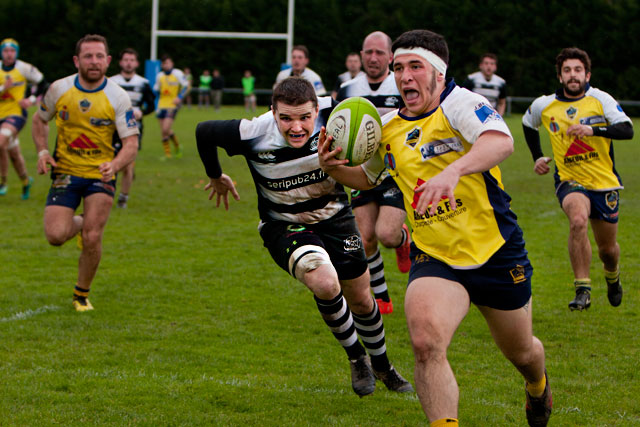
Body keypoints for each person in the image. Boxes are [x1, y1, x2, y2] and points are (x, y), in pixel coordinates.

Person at [319, 29, 551, 427]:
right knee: (426, 342)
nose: (404, 76)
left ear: (439, 74)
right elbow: (368, 178)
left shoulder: (461, 103)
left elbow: (500, 142)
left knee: (522, 353)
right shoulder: (387, 128)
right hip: (436, 257)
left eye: (415, 67)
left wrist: (454, 170)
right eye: (398, 68)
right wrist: (332, 167)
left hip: (495, 251)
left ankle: (537, 385)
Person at [195, 76, 413, 397]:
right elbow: (204, 132)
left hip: (336, 217)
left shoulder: (337, 115)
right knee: (325, 282)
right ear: (272, 112)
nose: (296, 127)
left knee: (362, 300)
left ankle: (382, 365)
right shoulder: (253, 132)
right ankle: (357, 358)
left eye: (304, 117)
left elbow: (382, 123)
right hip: (284, 225)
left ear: (317, 109)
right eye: (285, 118)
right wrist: (215, 176)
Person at [31, 34, 139, 312]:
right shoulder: (59, 89)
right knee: (55, 236)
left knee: (93, 237)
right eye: (88, 56)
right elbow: (39, 120)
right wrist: (43, 152)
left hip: (100, 175)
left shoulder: (117, 96)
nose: (94, 62)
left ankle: (81, 295)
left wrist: (114, 166)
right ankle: (81, 221)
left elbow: (131, 144)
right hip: (64, 171)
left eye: (99, 56)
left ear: (108, 61)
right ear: (77, 60)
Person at [522, 47, 633, 311]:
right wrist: (537, 156)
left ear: (587, 74)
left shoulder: (600, 99)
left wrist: (591, 129)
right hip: (569, 180)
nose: (573, 75)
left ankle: (612, 275)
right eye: (567, 70)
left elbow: (627, 129)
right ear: (559, 76)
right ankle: (582, 288)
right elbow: (528, 123)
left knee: (608, 250)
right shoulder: (544, 104)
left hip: (604, 182)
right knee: (578, 221)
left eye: (578, 70)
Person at [336, 31, 409, 315]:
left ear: (390, 57)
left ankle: (403, 240)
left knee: (386, 235)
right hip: (361, 170)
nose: (373, 58)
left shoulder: (402, 84)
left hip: (392, 170)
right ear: (361, 55)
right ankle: (382, 297)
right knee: (365, 239)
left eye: (380, 52)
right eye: (368, 52)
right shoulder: (348, 89)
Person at [0, 38, 46, 199]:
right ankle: (26, 181)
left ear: (16, 53)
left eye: (12, 51)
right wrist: (3, 89)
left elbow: (42, 83)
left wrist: (31, 100)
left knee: (1, 141)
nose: (9, 54)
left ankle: (3, 182)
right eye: (5, 51)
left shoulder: (24, 68)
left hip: (16, 113)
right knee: (12, 152)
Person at [110, 47, 156, 209]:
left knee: (127, 163)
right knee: (111, 161)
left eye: (132, 60)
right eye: (126, 60)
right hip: (112, 127)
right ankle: (107, 194)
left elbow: (151, 105)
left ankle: (123, 198)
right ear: (120, 62)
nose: (128, 63)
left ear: (136, 63)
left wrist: (141, 112)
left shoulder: (143, 83)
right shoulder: (112, 82)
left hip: (133, 128)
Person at [154, 54, 187, 159]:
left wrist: (180, 97)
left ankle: (177, 147)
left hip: (172, 105)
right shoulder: (159, 76)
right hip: (161, 105)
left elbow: (186, 86)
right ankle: (168, 154)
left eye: (167, 62)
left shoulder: (177, 74)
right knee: (164, 131)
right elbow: (157, 90)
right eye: (164, 63)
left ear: (172, 63)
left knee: (165, 128)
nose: (166, 65)